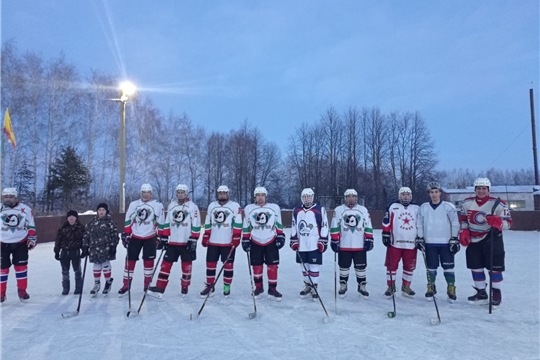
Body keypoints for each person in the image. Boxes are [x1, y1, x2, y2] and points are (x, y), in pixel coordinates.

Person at [459, 177, 512, 307]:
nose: (481, 191)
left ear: (488, 189)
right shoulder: (467, 203)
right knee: (475, 267)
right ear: (475, 189)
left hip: (492, 238)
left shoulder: (498, 204)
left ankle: (496, 293)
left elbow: (509, 223)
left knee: (494, 268)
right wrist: (464, 231)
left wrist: (499, 223)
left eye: (484, 188)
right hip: (473, 239)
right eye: (478, 188)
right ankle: (481, 292)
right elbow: (464, 219)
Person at [148, 184, 200, 298]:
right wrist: (164, 237)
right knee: (165, 265)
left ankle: (185, 286)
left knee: (186, 266)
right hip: (173, 242)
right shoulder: (172, 205)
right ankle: (160, 287)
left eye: (182, 192)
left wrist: (194, 238)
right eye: (178, 192)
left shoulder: (192, 206)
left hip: (186, 242)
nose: (180, 194)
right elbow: (167, 222)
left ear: (186, 194)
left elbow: (196, 223)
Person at [416, 182, 460, 302]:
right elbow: (419, 224)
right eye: (432, 192)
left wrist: (454, 238)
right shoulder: (423, 207)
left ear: (440, 192)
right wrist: (420, 237)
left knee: (448, 268)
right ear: (429, 194)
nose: (434, 194)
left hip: (446, 243)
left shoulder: (448, 207)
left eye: (436, 192)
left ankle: (451, 288)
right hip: (430, 243)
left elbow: (455, 223)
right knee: (431, 268)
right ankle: (431, 287)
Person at [119, 183, 165, 296]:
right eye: (143, 192)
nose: (145, 195)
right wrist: (126, 233)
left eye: (147, 192)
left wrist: (161, 236)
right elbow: (128, 219)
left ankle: (147, 285)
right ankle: (126, 284)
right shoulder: (134, 204)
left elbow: (162, 222)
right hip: (135, 237)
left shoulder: (158, 205)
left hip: (150, 237)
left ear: (151, 194)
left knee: (148, 262)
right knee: (130, 261)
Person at [241, 187, 285, 301]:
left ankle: (272, 289)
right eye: (258, 195)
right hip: (255, 241)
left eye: (262, 195)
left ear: (265, 196)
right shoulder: (249, 208)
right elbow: (246, 225)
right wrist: (245, 239)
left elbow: (279, 223)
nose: (260, 197)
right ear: (255, 197)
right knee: (257, 266)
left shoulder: (274, 208)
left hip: (271, 240)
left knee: (273, 266)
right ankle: (258, 287)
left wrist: (280, 235)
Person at [330, 189, 374, 298]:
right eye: (348, 196)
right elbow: (334, 225)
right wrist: (334, 240)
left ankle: (362, 285)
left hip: (360, 245)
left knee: (361, 267)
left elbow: (368, 225)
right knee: (344, 267)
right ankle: (343, 285)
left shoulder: (362, 210)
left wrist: (369, 238)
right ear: (345, 198)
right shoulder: (339, 210)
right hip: (344, 245)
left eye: (353, 196)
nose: (351, 198)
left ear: (356, 198)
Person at [200, 185, 242, 298]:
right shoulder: (212, 206)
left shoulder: (234, 206)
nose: (222, 195)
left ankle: (226, 286)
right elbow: (208, 222)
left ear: (228, 194)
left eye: (224, 193)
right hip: (213, 242)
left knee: (228, 265)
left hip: (228, 243)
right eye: (220, 193)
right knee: (210, 265)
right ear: (217, 194)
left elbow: (238, 223)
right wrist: (206, 235)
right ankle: (210, 286)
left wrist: (237, 237)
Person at [290, 188, 329, 300]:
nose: (307, 199)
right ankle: (307, 285)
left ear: (312, 197)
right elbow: (294, 225)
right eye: (305, 197)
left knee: (314, 266)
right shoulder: (296, 210)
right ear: (302, 198)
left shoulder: (319, 209)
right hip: (302, 243)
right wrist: (294, 240)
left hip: (314, 243)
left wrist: (323, 241)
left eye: (309, 196)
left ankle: (314, 286)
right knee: (304, 265)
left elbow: (324, 225)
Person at [382, 187, 420, 299]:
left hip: (411, 244)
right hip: (395, 242)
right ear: (399, 196)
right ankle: (391, 286)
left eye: (408, 194)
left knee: (409, 266)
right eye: (403, 194)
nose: (406, 196)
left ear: (411, 196)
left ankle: (406, 287)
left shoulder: (417, 208)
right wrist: (386, 234)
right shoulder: (392, 206)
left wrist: (420, 237)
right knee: (391, 266)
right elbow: (386, 221)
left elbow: (420, 224)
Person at [0, 188, 37, 302]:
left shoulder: (25, 209)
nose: (8, 199)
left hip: (20, 243)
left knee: (21, 268)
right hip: (2, 243)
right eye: (6, 197)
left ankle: (22, 290)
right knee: (2, 269)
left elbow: (31, 225)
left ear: (15, 197)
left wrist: (31, 238)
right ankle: (1, 293)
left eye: (11, 197)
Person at [82, 203, 119, 296]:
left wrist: (113, 246)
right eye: (100, 210)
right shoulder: (92, 222)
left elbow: (114, 235)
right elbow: (86, 235)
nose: (101, 212)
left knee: (105, 264)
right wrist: (85, 246)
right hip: (94, 247)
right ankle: (97, 284)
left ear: (106, 211)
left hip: (106, 247)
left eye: (103, 210)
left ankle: (108, 282)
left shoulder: (110, 222)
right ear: (97, 211)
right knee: (96, 265)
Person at [54, 210, 85, 295]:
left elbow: (84, 240)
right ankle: (65, 288)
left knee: (77, 270)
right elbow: (58, 240)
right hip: (65, 252)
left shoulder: (81, 228)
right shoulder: (63, 228)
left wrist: (84, 249)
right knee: (65, 271)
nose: (71, 218)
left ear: (76, 218)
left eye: (73, 216)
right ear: (67, 218)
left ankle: (78, 288)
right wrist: (57, 251)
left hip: (75, 252)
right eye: (69, 216)